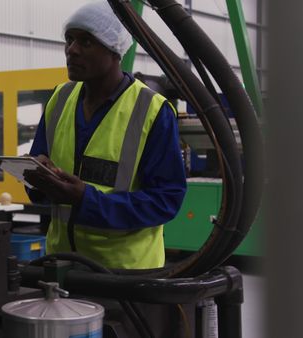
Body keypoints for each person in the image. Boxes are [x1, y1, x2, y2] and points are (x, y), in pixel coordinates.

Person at [24, 1, 186, 269]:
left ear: (114, 51)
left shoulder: (152, 111)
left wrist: (85, 199)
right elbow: (40, 172)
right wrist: (36, 178)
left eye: (86, 42)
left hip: (126, 276)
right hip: (63, 266)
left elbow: (165, 201)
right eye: (69, 39)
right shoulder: (60, 99)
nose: (71, 50)